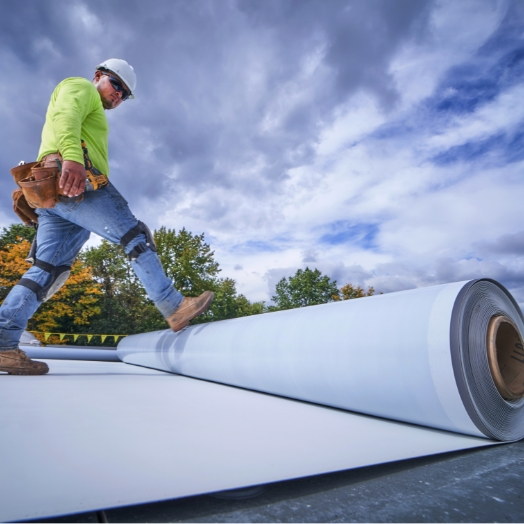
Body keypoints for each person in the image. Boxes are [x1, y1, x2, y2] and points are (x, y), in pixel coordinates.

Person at [0, 58, 214, 375]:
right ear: (99, 76)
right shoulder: (81, 86)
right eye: (116, 86)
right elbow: (65, 116)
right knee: (133, 235)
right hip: (75, 180)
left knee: (47, 270)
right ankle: (173, 305)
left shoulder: (95, 105)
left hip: (52, 192)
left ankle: (3, 345)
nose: (119, 96)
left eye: (125, 95)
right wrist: (72, 158)